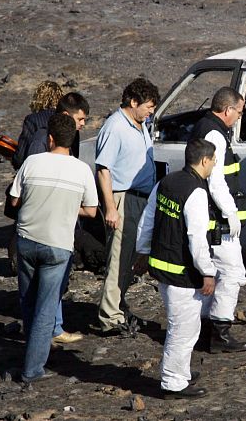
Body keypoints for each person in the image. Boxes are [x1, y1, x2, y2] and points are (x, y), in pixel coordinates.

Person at [9, 113, 98, 383]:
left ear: (49, 138)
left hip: (27, 239)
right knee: (47, 307)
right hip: (58, 244)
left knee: (28, 299)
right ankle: (33, 368)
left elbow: (14, 201)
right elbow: (92, 211)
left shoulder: (32, 162)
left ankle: (31, 351)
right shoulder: (81, 169)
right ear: (72, 140)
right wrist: (70, 208)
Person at [135, 138, 218, 399]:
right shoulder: (196, 192)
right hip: (182, 274)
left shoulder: (166, 182)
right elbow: (196, 237)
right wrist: (208, 271)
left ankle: (180, 373)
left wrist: (143, 251)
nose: (215, 164)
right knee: (182, 330)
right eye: (214, 160)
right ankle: (173, 383)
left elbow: (148, 219)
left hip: (162, 269)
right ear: (204, 160)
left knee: (183, 327)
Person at [188, 87, 246, 353]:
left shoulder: (203, 126)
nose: (238, 117)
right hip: (218, 220)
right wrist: (231, 213)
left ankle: (203, 331)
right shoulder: (216, 134)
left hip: (207, 215)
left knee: (209, 272)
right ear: (228, 110)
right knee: (233, 273)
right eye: (238, 112)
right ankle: (220, 333)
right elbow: (217, 182)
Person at [96, 78, 160, 335]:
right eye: (148, 106)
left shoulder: (139, 124)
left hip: (140, 199)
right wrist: (111, 207)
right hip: (123, 198)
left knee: (130, 258)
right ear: (133, 102)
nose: (150, 112)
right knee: (119, 257)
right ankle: (109, 317)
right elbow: (103, 169)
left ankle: (119, 307)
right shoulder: (115, 127)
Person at [12, 81, 64, 170]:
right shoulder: (66, 120)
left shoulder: (32, 120)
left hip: (38, 169)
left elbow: (20, 157)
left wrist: (12, 159)